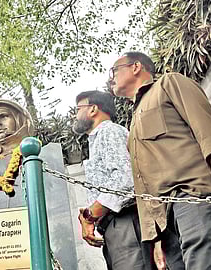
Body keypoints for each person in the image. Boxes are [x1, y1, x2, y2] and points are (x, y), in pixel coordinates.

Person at [110, 51, 211, 270]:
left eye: (114, 70)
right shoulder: (133, 123)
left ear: (136, 67)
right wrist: (155, 239)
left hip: (195, 203)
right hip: (166, 226)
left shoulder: (169, 84)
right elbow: (142, 184)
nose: (111, 78)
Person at [73, 90, 156, 270]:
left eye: (78, 108)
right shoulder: (98, 138)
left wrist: (90, 215)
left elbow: (125, 179)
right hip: (114, 226)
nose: (75, 114)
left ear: (93, 109)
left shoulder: (109, 131)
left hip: (126, 222)